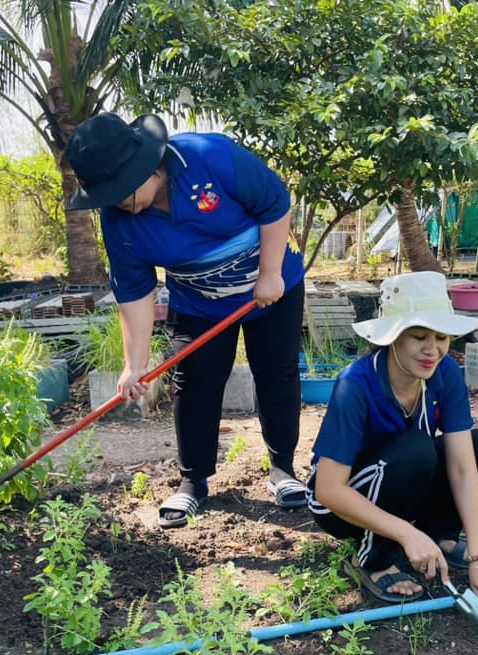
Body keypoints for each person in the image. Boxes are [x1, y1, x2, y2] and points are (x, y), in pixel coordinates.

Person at [65, 112, 307, 528]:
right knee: (193, 384)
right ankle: (193, 481)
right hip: (199, 301)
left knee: (277, 372)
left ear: (148, 165)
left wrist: (269, 274)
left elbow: (273, 202)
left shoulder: (208, 157)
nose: (120, 202)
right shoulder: (119, 220)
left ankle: (283, 468)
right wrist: (134, 364)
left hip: (269, 289)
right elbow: (136, 290)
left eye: (122, 191)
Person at [306, 271, 478, 611]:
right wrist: (406, 534)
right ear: (392, 337)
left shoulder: (445, 372)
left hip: (406, 479)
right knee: (416, 450)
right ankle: (373, 560)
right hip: (344, 503)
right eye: (419, 336)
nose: (432, 349)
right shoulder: (356, 385)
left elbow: (463, 467)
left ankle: (439, 534)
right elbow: (328, 490)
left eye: (440, 337)